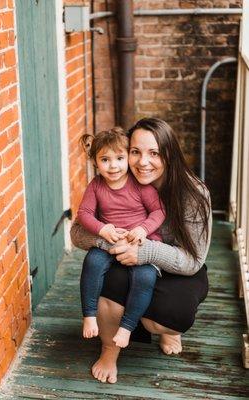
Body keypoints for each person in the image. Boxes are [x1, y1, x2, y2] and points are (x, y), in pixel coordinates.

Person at [71, 117, 212, 384]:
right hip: (125, 256)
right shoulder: (111, 182)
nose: (142, 162)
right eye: (135, 152)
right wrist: (108, 240)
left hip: (178, 267)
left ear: (169, 154)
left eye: (154, 153)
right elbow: (77, 232)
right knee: (106, 278)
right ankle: (109, 350)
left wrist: (145, 251)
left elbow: (193, 260)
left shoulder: (193, 194)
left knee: (167, 318)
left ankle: (166, 331)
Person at [77, 128, 165, 348]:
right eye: (105, 159)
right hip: (110, 241)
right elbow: (84, 214)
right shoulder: (96, 186)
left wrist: (143, 229)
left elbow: (159, 211)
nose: (113, 166)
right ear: (95, 162)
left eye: (119, 158)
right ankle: (89, 314)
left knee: (145, 278)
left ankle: (127, 327)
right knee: (92, 262)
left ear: (128, 158)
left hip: (140, 242)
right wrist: (102, 229)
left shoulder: (139, 185)